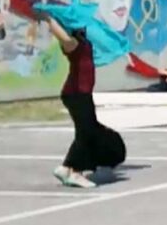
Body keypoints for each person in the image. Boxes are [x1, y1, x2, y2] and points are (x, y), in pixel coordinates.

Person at [42, 13, 126, 189]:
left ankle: (68, 168)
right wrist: (48, 18)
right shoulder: (72, 44)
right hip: (76, 94)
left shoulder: (85, 43)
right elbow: (61, 34)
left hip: (82, 94)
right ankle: (73, 171)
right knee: (86, 133)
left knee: (88, 131)